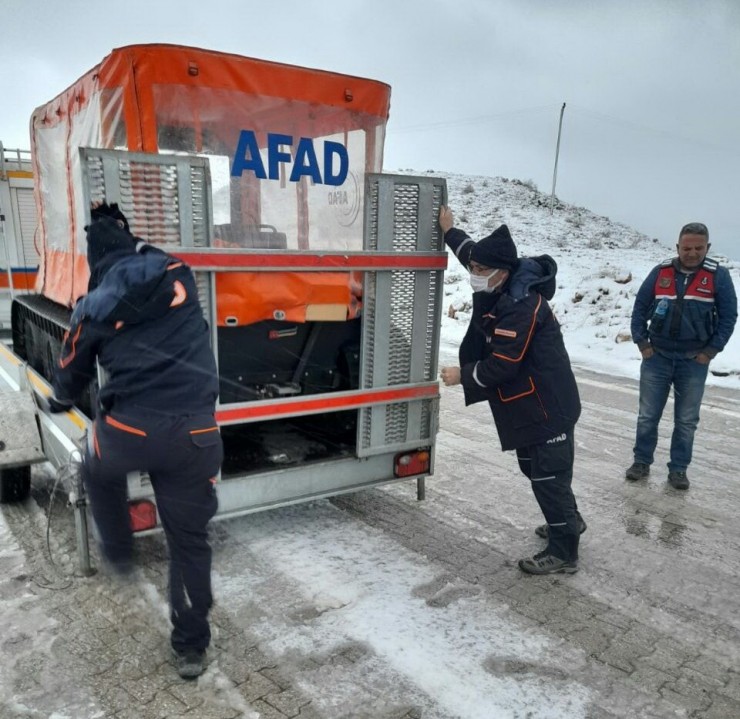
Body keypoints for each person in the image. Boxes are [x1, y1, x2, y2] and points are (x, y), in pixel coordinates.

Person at [49, 202, 222, 679]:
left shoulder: (93, 306)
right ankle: (190, 646)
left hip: (131, 433)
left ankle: (120, 552)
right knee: (189, 541)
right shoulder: (177, 274)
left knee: (95, 468)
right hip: (196, 434)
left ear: (96, 262)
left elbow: (70, 371)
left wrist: (60, 400)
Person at [438, 206, 585, 575]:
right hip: (525, 406)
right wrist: (449, 230)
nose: (475, 275)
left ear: (503, 273)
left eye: (482, 272)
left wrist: (464, 375)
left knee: (548, 478)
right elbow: (471, 253)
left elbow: (504, 365)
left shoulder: (522, 306)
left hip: (546, 406)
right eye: (474, 269)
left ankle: (564, 549)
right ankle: (569, 519)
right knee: (533, 468)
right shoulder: (496, 273)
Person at [626, 222, 737, 489]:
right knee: (648, 416)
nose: (692, 252)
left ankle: (678, 469)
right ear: (678, 247)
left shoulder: (717, 276)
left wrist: (711, 351)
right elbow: (640, 309)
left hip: (693, 360)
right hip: (658, 357)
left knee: (686, 421)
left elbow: (729, 317)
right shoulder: (661, 272)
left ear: (707, 248)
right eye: (687, 247)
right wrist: (643, 344)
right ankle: (641, 462)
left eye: (699, 248)